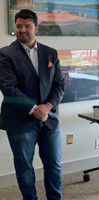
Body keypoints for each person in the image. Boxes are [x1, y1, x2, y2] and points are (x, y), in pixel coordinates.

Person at [0, 9, 65, 200]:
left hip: (50, 120)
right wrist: (34, 109)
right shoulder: (4, 54)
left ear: (35, 28)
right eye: (19, 26)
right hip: (20, 121)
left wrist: (47, 107)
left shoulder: (50, 53)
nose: (22, 30)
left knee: (54, 165)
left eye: (27, 26)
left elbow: (59, 84)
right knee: (24, 167)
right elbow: (8, 87)